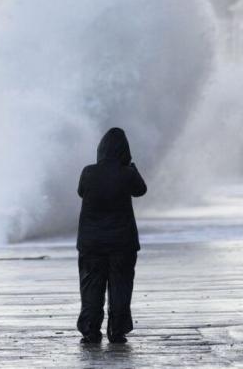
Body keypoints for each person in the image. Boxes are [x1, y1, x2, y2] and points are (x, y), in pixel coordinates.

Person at [76, 127, 147, 344]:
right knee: (121, 287)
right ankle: (117, 331)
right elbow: (141, 190)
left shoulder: (88, 172)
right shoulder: (127, 173)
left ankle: (90, 330)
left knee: (91, 288)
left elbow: (81, 192)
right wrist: (131, 166)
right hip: (122, 243)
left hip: (91, 243)